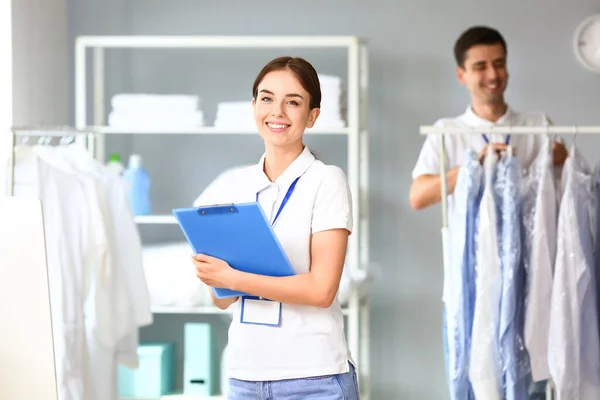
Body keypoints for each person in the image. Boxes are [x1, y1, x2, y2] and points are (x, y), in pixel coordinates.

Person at [191, 56, 360, 400]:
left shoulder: (326, 181)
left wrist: (232, 277)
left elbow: (321, 289)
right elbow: (222, 299)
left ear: (312, 115)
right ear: (254, 106)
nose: (277, 111)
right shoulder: (232, 185)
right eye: (267, 99)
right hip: (245, 376)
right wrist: (212, 273)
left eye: (293, 102)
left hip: (315, 378)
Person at [409, 25, 568, 211]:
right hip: (469, 241)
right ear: (462, 75)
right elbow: (418, 197)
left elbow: (577, 180)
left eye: (499, 64)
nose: (492, 75)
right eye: (480, 67)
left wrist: (563, 157)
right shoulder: (447, 131)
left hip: (533, 239)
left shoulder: (538, 124)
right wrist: (472, 167)